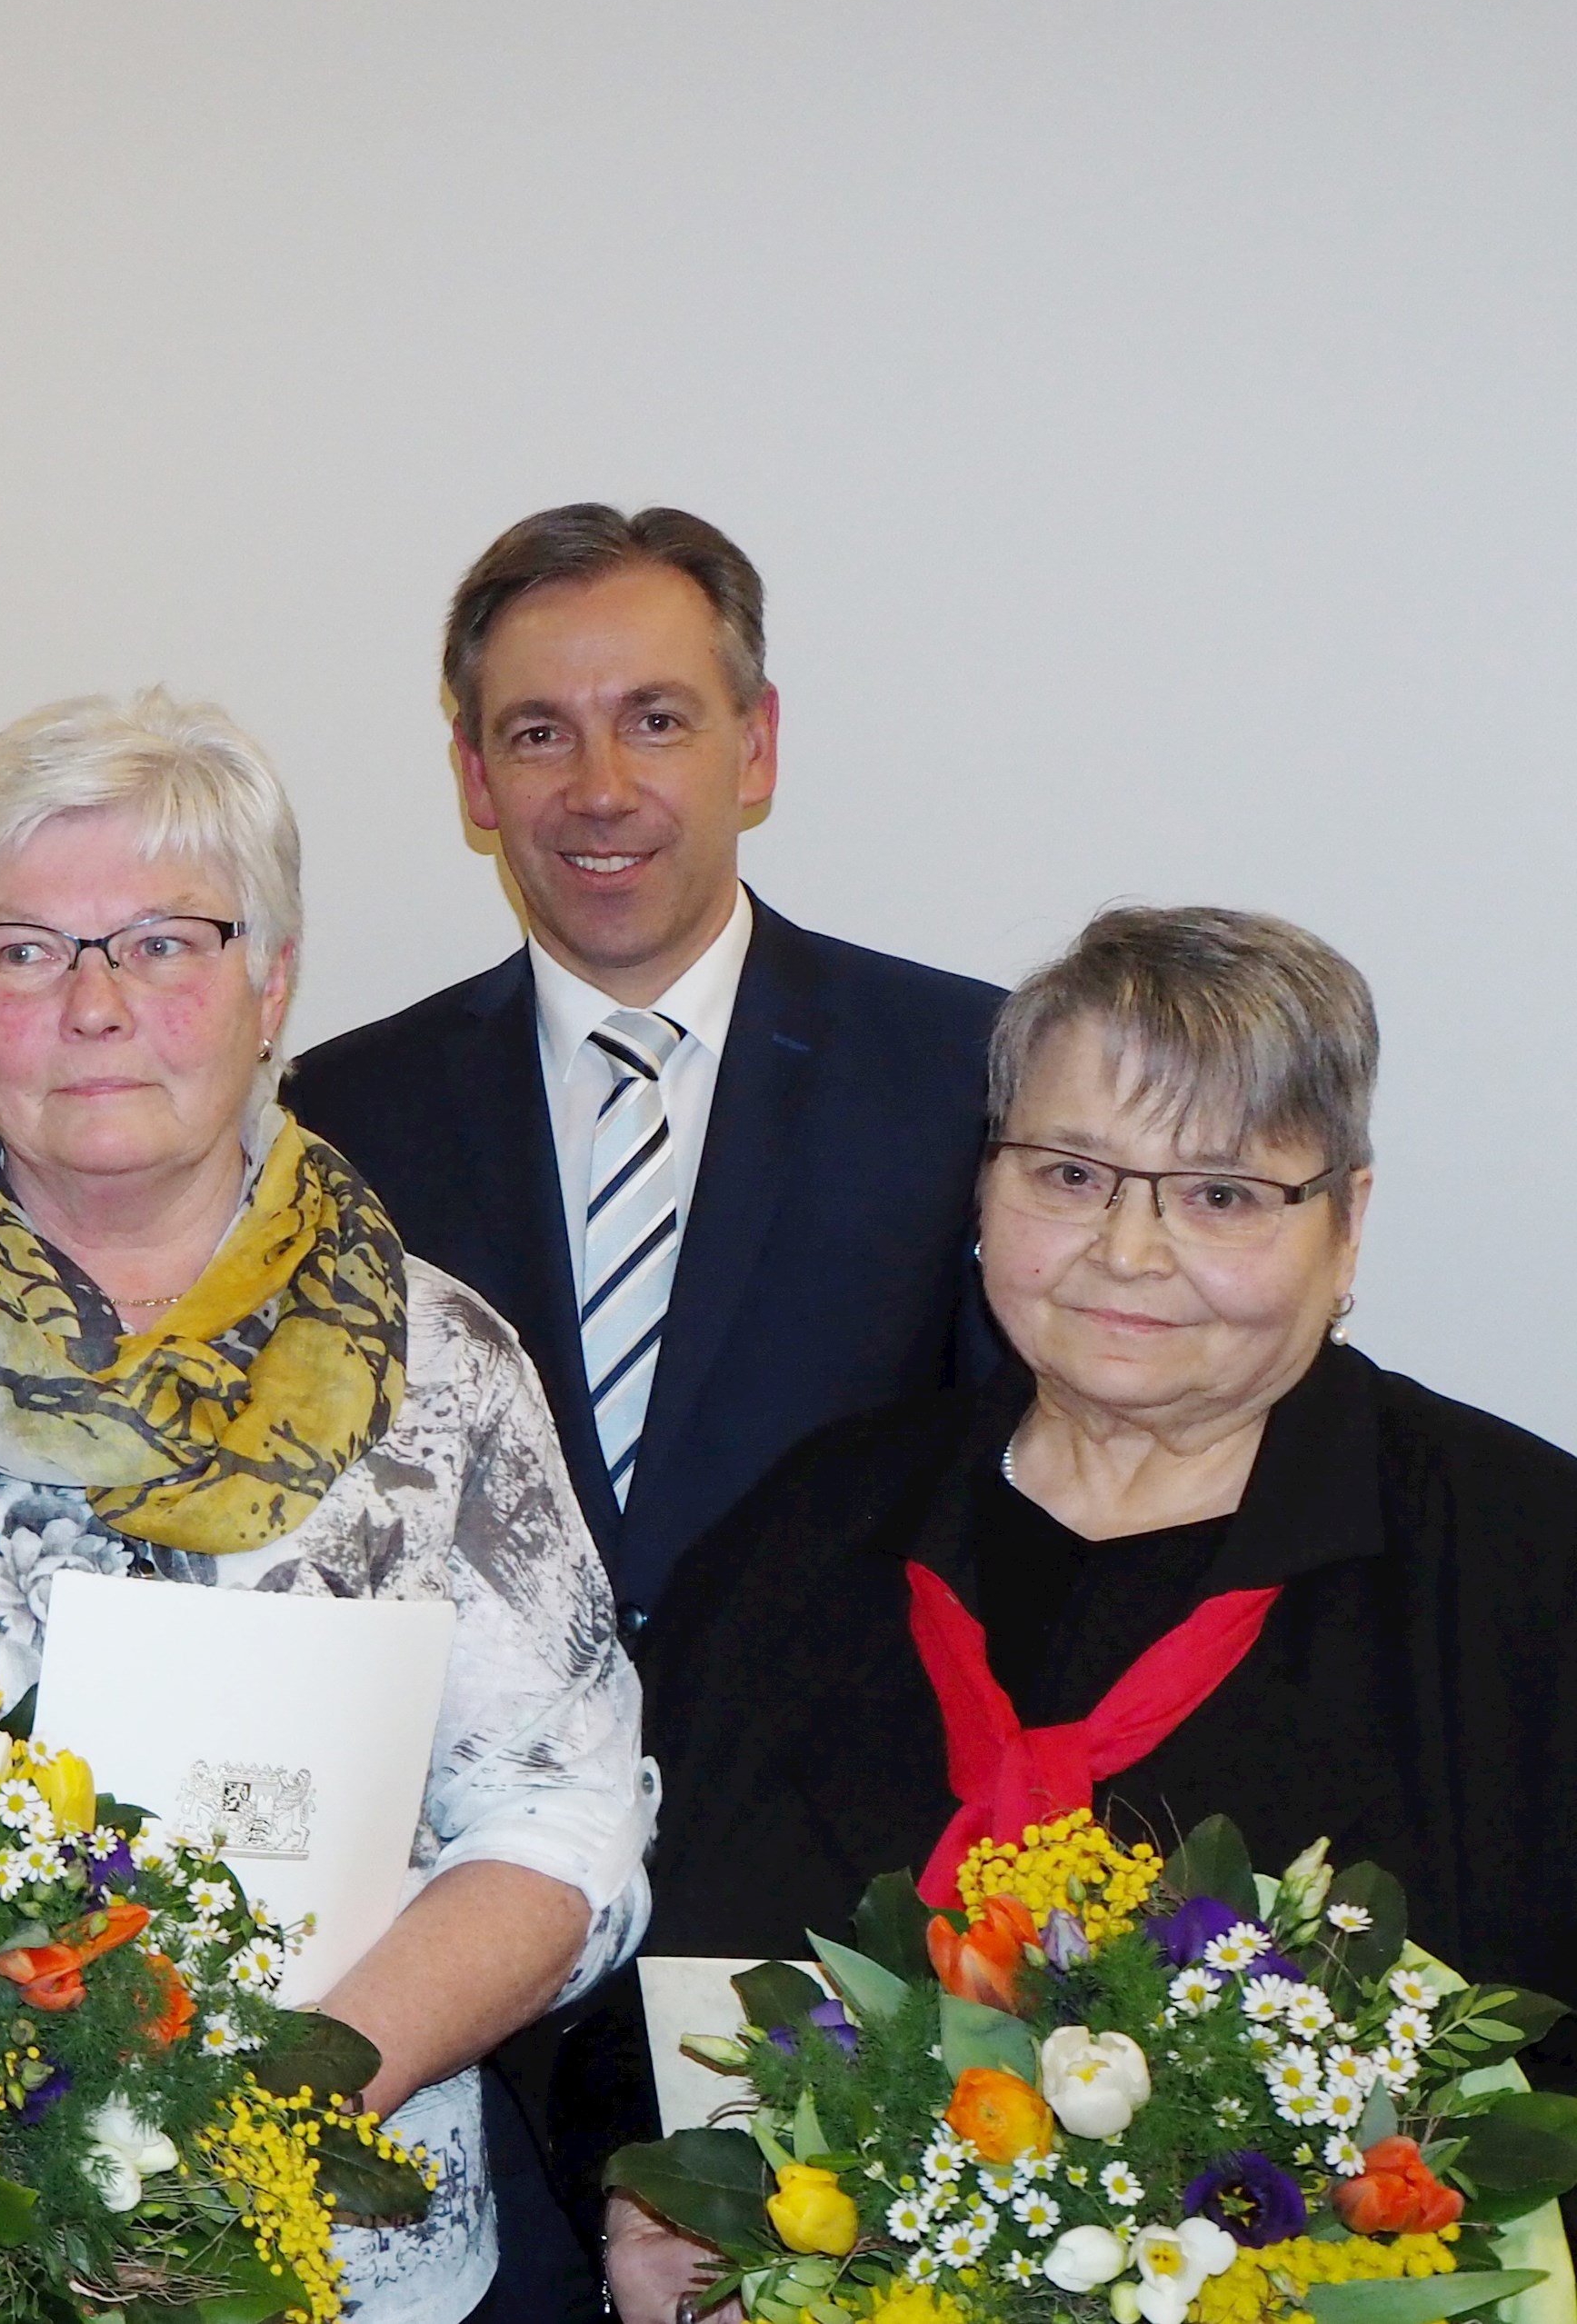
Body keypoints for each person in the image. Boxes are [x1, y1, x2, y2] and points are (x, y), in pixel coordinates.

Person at [0, 689, 654, 2324]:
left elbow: (565, 1824)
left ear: (271, 979)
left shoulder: (445, 1369)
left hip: (330, 2265)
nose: (93, 1006)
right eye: (21, 950)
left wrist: (287, 2105)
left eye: (164, 941)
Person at [594, 906, 1577, 2322]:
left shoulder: (1524, 1570)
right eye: (1071, 1173)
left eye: (1224, 1193)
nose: (1129, 1251)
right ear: (984, 1187)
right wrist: (644, 2194)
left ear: (1347, 1222)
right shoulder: (807, 1531)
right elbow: (609, 1938)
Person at [284, 504, 1000, 1633]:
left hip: (847, 1791)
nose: (600, 788)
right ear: (475, 778)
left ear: (755, 745)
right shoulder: (344, 1116)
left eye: (655, 720)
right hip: (466, 1798)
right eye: (537, 734)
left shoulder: (962, 1076)